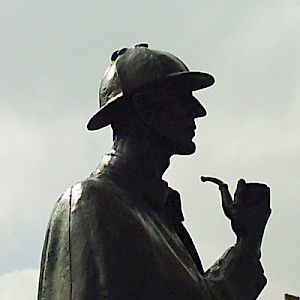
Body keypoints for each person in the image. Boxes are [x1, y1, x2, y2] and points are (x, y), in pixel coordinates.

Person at [38, 44, 271, 300]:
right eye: (182, 97)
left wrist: (248, 242)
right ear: (146, 107)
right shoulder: (91, 203)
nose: (198, 110)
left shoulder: (158, 218)